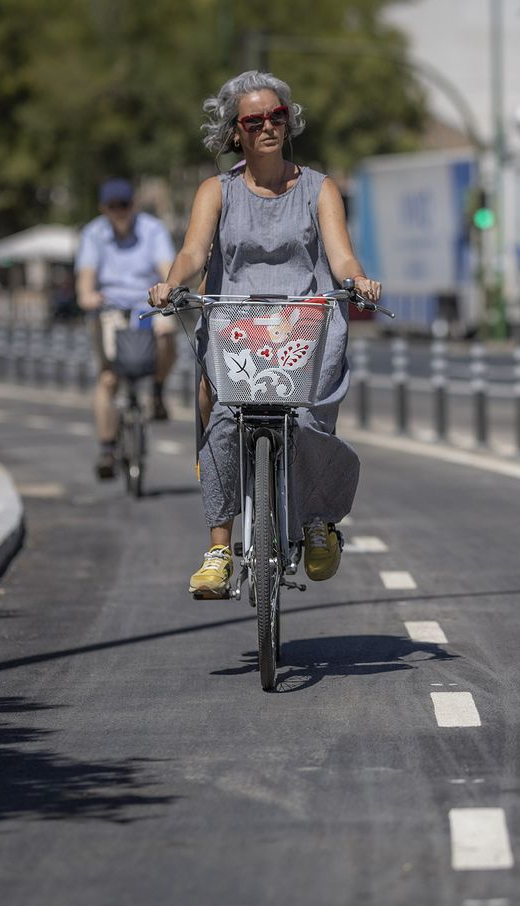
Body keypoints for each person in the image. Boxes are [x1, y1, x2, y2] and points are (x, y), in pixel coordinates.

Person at [149, 70, 381, 599]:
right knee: (226, 420)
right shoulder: (217, 190)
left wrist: (357, 280)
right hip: (238, 325)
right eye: (254, 121)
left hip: (305, 323)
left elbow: (341, 255)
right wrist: (170, 283)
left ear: (288, 122)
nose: (268, 127)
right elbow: (192, 253)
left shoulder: (320, 189)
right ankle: (217, 550)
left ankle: (318, 521)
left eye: (277, 116)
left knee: (306, 416)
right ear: (236, 132)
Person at [76, 178, 177, 479]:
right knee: (108, 378)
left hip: (148, 304)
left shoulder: (153, 229)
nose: (119, 212)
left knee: (168, 331)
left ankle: (157, 390)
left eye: (125, 205)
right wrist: (87, 296)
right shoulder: (93, 234)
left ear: (134, 205)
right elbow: (85, 278)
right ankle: (107, 449)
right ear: (103, 209)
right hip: (109, 308)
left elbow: (167, 269)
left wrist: (168, 289)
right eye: (113, 207)